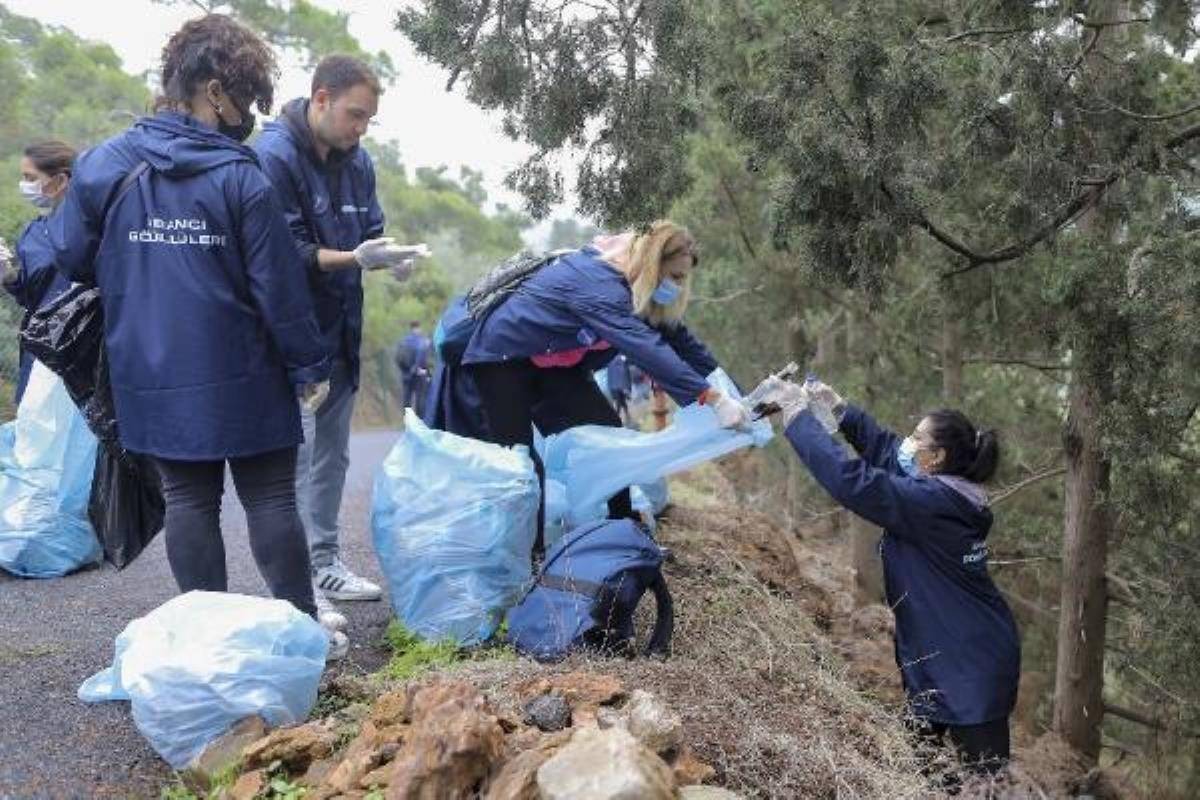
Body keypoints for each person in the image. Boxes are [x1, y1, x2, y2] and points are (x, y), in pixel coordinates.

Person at [47, 15, 345, 657]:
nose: (247, 117)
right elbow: (278, 287)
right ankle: (302, 645)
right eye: (244, 100)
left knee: (189, 499)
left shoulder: (105, 165)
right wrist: (308, 366)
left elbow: (69, 257)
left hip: (150, 372)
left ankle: (208, 651)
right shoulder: (243, 177)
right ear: (214, 90)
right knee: (269, 498)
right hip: (246, 369)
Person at [751, 375, 1020, 785]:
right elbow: (890, 453)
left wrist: (798, 416)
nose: (907, 444)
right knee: (920, 777)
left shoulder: (930, 503)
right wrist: (843, 413)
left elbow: (853, 480)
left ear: (937, 457)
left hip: (970, 671)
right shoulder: (942, 488)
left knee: (986, 787)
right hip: (938, 662)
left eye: (918, 438)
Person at [454, 219, 750, 550]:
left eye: (684, 279)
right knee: (521, 462)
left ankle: (622, 532)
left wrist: (739, 395)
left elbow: (684, 344)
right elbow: (645, 347)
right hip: (503, 358)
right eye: (676, 276)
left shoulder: (635, 288)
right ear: (653, 265)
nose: (678, 287)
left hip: (552, 363)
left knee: (609, 432)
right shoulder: (599, 282)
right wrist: (711, 399)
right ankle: (529, 559)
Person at [255, 54, 413, 612]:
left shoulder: (358, 161)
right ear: (320, 99)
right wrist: (353, 257)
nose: (360, 127)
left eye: (369, 118)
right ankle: (297, 592)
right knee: (293, 466)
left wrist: (390, 255)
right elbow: (280, 255)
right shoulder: (272, 157)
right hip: (291, 339)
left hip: (343, 329)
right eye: (354, 114)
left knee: (333, 458)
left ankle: (325, 565)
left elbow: (371, 229)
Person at [1, 141, 76, 404]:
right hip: (37, 349)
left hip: (78, 349)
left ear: (60, 180)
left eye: (30, 178)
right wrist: (8, 275)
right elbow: (30, 295)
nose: (25, 185)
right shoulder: (33, 232)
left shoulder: (88, 229)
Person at [394, 320, 430, 415]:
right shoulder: (423, 341)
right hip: (419, 373)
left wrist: (405, 370)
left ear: (410, 328)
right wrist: (420, 369)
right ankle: (420, 420)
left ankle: (407, 419)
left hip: (405, 373)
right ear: (419, 328)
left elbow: (398, 358)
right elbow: (424, 358)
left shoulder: (403, 341)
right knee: (420, 396)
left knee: (407, 397)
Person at [605, 353, 633, 425]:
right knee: (620, 401)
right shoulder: (622, 357)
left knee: (620, 401)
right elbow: (626, 371)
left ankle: (621, 417)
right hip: (619, 384)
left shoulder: (609, 357)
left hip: (616, 384)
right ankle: (620, 417)